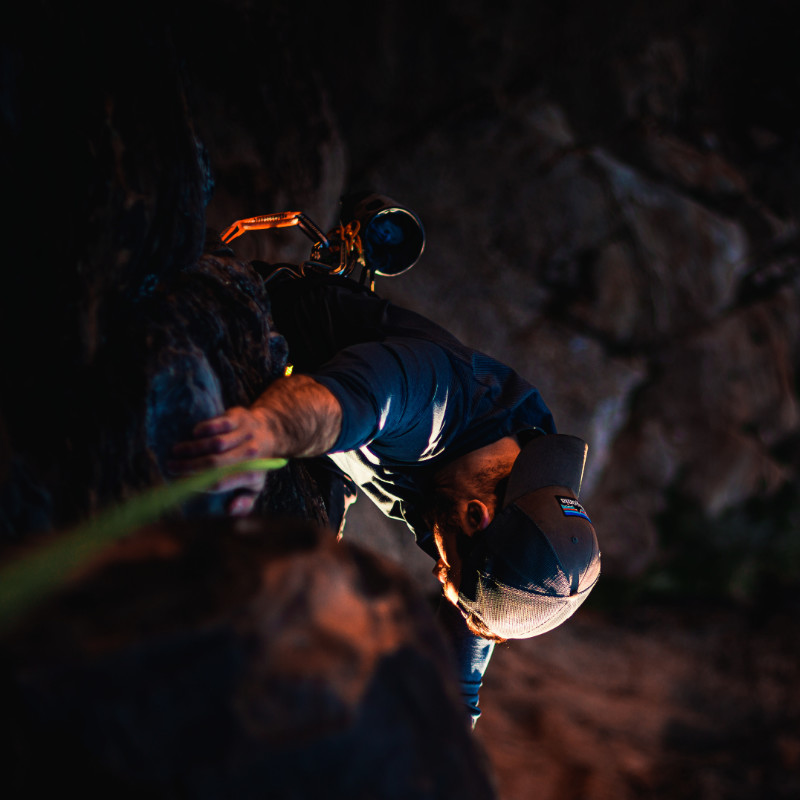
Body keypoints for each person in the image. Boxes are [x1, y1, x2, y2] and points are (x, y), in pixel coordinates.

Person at [169, 265, 601, 726]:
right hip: (288, 355)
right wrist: (266, 431)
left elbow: (470, 636)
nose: (438, 571)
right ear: (475, 516)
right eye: (444, 570)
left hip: (334, 453)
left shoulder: (529, 491)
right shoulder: (434, 401)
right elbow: (344, 405)